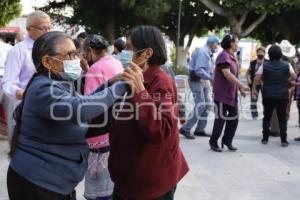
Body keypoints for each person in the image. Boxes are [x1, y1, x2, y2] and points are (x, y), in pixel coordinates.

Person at [6, 31, 138, 200]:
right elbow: (80, 109)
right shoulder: (43, 88)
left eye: (76, 53)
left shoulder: (57, 83)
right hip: (38, 184)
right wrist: (122, 87)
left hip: (53, 183)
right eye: (70, 55)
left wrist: (108, 85)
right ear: (48, 62)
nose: (77, 59)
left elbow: (81, 101)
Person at [108, 26, 188, 200]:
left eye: (129, 48)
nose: (124, 52)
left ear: (147, 53)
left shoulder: (161, 81)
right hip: (128, 177)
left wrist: (140, 92)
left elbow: (160, 130)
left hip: (151, 181)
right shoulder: (131, 76)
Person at [1, 11, 52, 145]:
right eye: (43, 28)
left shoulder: (52, 49)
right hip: (27, 109)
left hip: (50, 107)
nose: (47, 31)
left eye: (49, 27)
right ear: (30, 29)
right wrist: (20, 93)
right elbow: (7, 83)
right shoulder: (18, 51)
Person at [83, 34, 123, 200]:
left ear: (90, 51)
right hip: (114, 132)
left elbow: (89, 106)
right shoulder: (116, 62)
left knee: (98, 192)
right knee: (109, 187)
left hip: (98, 137)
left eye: (85, 54)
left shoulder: (95, 69)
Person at [209, 34, 249, 152]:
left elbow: (235, 75)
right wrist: (241, 85)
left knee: (234, 119)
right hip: (221, 94)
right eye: (236, 42)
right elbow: (227, 74)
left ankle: (227, 141)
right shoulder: (223, 56)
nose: (238, 45)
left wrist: (240, 89)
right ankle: (213, 142)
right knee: (220, 120)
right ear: (231, 43)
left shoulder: (233, 57)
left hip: (231, 94)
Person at [252, 45, 296, 147]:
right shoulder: (287, 65)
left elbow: (256, 78)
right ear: (280, 54)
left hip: (268, 95)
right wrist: (286, 81)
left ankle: (265, 138)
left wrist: (254, 89)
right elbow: (294, 77)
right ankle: (284, 140)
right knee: (282, 117)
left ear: (269, 55)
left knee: (267, 116)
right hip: (282, 95)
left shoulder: (265, 65)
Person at [180, 35, 219, 139]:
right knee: (201, 105)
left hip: (203, 80)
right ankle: (186, 128)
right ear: (213, 44)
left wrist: (211, 79)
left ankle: (200, 129)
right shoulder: (203, 52)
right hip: (197, 80)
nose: (218, 46)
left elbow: (210, 70)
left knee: (208, 105)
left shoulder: (209, 53)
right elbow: (199, 70)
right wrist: (211, 78)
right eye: (217, 44)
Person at [246, 47, 266, 119]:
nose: (260, 54)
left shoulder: (267, 62)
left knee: (266, 99)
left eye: (262, 53)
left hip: (264, 83)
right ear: (257, 54)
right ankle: (254, 115)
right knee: (253, 99)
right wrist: (248, 79)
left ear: (264, 54)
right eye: (259, 53)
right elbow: (248, 72)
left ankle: (266, 114)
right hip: (254, 83)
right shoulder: (253, 63)